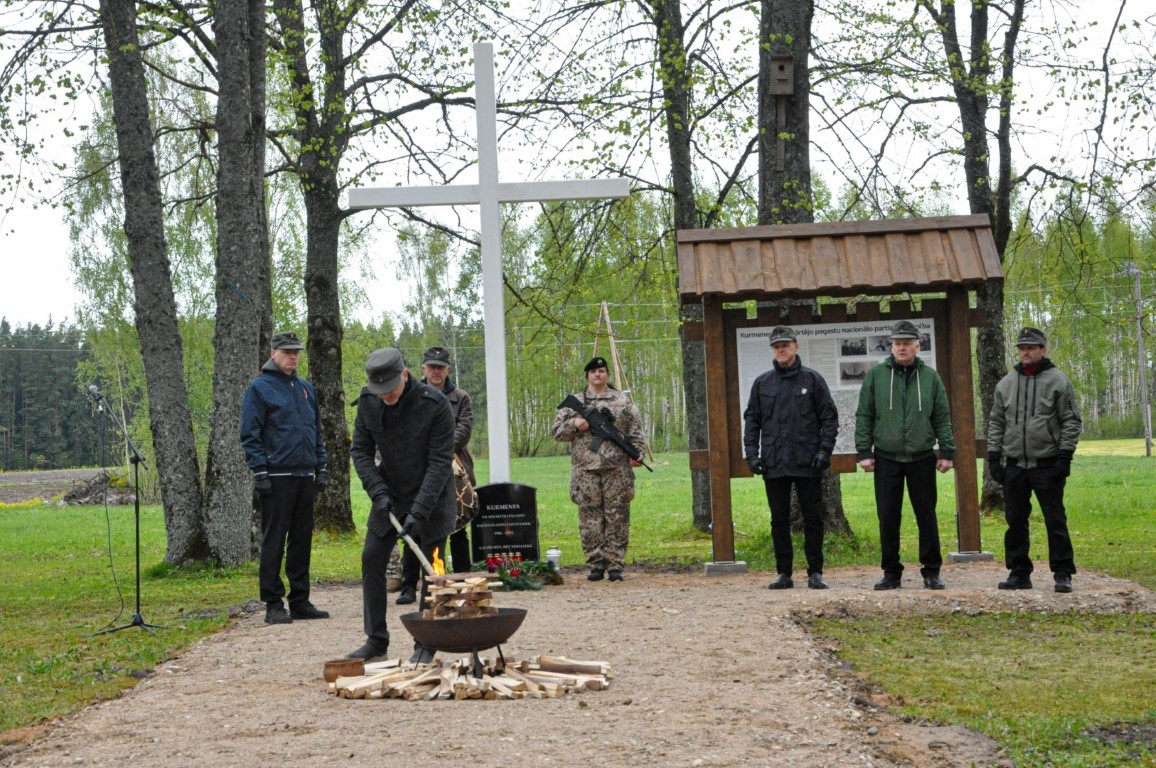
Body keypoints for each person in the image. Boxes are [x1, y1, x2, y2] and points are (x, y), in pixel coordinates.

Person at [346, 347, 456, 662]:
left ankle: (425, 642)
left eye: (390, 389)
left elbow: (439, 464)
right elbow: (361, 451)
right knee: (371, 557)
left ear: (405, 375)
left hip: (432, 495)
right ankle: (376, 639)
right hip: (390, 491)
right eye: (379, 391)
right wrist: (377, 491)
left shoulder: (435, 406)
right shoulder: (368, 402)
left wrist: (419, 512)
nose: (385, 396)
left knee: (429, 565)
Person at [854, 320, 955, 591]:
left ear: (917, 346)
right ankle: (891, 572)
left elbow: (942, 417)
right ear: (892, 346)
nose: (901, 347)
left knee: (926, 515)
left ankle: (931, 571)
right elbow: (864, 414)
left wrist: (946, 452)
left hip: (922, 457)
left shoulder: (930, 377)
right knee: (888, 516)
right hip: (886, 457)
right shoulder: (876, 375)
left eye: (907, 343)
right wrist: (864, 451)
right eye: (897, 343)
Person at [240, 331, 330, 625]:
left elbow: (315, 431)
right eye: (287, 351)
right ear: (273, 352)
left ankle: (300, 600)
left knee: (302, 540)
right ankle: (273, 603)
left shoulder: (306, 389)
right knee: (274, 541)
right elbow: (250, 435)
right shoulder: (259, 389)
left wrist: (321, 466)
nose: (293, 356)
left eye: (296, 352)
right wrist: (260, 471)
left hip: (305, 474)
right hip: (276, 477)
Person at [742, 326, 839, 590]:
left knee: (813, 518)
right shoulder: (763, 383)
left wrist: (824, 451)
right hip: (774, 462)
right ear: (772, 350)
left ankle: (815, 572)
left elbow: (829, 418)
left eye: (785, 344)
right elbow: (752, 421)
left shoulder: (812, 380)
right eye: (776, 346)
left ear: (796, 346)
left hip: (808, 461)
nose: (781, 349)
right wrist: (752, 455)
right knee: (779, 520)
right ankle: (784, 572)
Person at [987, 327, 1082, 593]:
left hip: (1047, 464)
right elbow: (996, 421)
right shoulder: (1006, 383)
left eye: (1031, 347)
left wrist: (1065, 457)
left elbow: (1071, 421)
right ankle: (1019, 572)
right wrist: (994, 457)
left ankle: (1063, 572)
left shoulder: (1058, 382)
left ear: (1043, 349)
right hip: (1016, 465)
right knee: (1015, 520)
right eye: (1022, 347)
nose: (1026, 352)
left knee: (1055, 519)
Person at [393, 346, 476, 607]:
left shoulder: (461, 398)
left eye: (441, 367)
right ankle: (409, 585)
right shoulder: (412, 396)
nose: (436, 371)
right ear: (423, 369)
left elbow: (464, 429)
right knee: (415, 524)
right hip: (420, 469)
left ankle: (463, 581)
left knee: (459, 527)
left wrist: (439, 449)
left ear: (448, 369)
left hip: (456, 469)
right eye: (432, 367)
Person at [553, 356, 648, 582]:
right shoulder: (574, 403)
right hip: (585, 470)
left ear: (607, 375)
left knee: (617, 517)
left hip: (617, 470)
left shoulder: (622, 402)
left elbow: (636, 431)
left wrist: (638, 453)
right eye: (594, 371)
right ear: (587, 376)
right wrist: (574, 424)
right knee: (590, 519)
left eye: (602, 371)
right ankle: (596, 564)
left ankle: (615, 565)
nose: (598, 374)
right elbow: (557, 433)